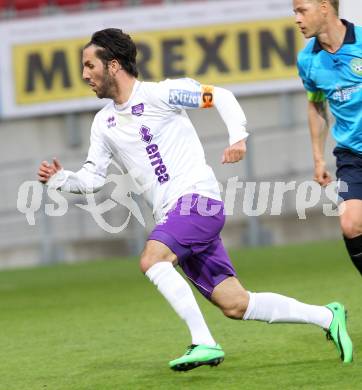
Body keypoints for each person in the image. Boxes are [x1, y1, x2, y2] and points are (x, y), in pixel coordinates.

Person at [38, 28, 353, 370]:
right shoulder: (103, 124)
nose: (84, 75)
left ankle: (203, 342)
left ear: (113, 65)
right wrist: (61, 180)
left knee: (152, 259)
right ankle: (327, 316)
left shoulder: (163, 94)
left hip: (197, 202)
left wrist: (238, 138)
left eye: (89, 65)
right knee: (235, 303)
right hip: (173, 217)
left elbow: (219, 96)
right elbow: (93, 178)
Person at [294, 0, 362, 275]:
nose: (297, 18)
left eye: (302, 10)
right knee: (350, 224)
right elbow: (316, 105)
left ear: (325, 7)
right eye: (294, 12)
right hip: (351, 155)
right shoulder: (307, 59)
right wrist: (318, 159)